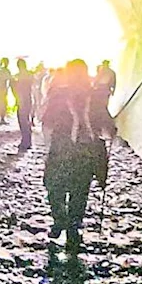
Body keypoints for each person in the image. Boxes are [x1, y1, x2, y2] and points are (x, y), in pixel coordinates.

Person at [42, 60, 112, 249]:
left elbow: (46, 121)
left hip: (67, 149)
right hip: (81, 150)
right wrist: (110, 129)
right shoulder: (90, 95)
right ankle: (69, 224)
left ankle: (65, 223)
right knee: (75, 189)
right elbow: (106, 120)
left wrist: (48, 141)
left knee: (58, 186)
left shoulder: (60, 94)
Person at [12, 58, 35, 151]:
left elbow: (15, 89)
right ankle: (28, 141)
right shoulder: (30, 75)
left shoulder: (17, 76)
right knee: (27, 120)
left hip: (21, 100)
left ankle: (25, 141)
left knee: (22, 121)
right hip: (28, 99)